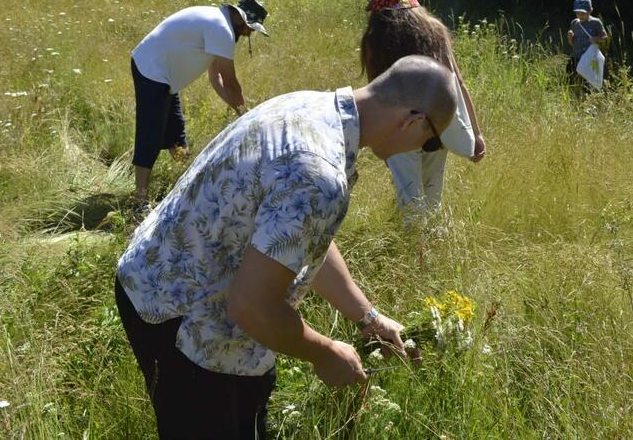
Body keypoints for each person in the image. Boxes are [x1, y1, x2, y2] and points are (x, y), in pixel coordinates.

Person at [115, 55, 458, 439]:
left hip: (153, 274)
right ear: (413, 121)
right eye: (429, 143)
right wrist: (327, 353)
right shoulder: (319, 172)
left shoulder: (308, 107)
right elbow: (251, 306)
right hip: (181, 316)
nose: (422, 149)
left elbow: (298, 238)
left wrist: (368, 318)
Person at [359, 0, 486, 224]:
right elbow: (457, 84)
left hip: (398, 129)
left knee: (410, 202)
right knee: (432, 198)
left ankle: (414, 254)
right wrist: (476, 133)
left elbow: (376, 96)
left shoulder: (375, 39)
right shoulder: (435, 31)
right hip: (437, 122)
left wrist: (382, 141)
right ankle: (430, 251)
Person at [130, 0, 269, 202]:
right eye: (251, 29)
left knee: (176, 131)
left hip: (165, 76)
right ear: (241, 20)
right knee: (150, 133)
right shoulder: (222, 29)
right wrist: (246, 116)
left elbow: (216, 79)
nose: (250, 33)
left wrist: (240, 113)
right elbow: (231, 84)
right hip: (151, 70)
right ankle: (139, 198)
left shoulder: (217, 23)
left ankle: (181, 181)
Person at [566, 0, 608, 89]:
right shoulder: (575, 23)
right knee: (570, 80)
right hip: (575, 57)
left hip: (589, 59)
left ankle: (586, 99)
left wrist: (596, 39)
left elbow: (605, 38)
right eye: (578, 13)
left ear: (590, 10)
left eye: (583, 13)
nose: (580, 15)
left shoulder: (596, 23)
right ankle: (572, 98)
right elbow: (572, 44)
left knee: (586, 84)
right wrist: (570, 38)